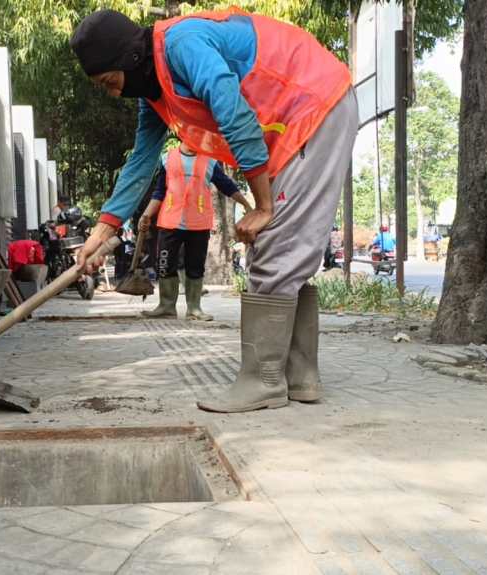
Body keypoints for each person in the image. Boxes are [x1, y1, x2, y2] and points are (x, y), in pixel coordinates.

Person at [70, 7, 357, 412]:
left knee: (273, 245)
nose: (114, 92)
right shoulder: (155, 93)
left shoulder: (183, 45)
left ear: (129, 59)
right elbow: (140, 162)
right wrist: (100, 235)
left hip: (314, 105)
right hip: (298, 119)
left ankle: (264, 381)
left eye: (110, 82)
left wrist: (263, 204)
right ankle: (300, 376)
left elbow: (233, 111)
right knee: (282, 250)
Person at [138, 141, 251, 321]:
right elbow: (159, 192)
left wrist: (246, 204)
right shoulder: (167, 159)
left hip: (198, 222)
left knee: (195, 266)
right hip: (170, 221)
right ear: (181, 133)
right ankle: (166, 307)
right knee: (165, 265)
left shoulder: (210, 161)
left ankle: (194, 308)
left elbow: (227, 186)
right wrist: (146, 215)